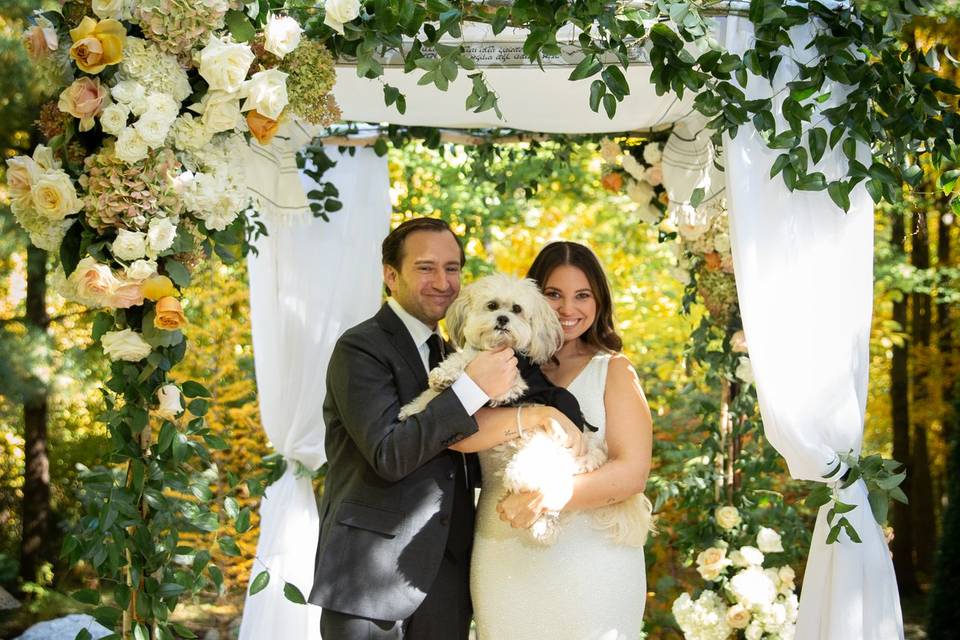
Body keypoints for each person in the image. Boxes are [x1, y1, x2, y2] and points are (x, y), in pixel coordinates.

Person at [309, 218, 581, 640]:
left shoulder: (458, 350)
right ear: (390, 274)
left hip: (446, 578)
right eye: (425, 267)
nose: (442, 281)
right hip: (371, 578)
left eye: (452, 268)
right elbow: (389, 453)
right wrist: (473, 389)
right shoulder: (360, 347)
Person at [471, 240, 654, 640]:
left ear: (599, 301)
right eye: (554, 294)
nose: (569, 309)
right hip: (504, 553)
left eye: (582, 295)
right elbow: (457, 433)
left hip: (594, 563)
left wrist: (545, 497)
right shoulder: (494, 363)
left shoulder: (615, 370)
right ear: (531, 299)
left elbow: (632, 472)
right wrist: (534, 414)